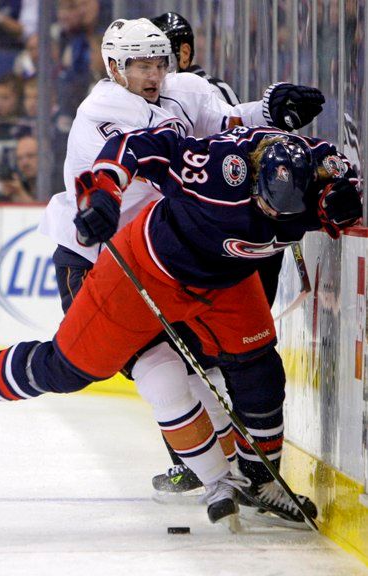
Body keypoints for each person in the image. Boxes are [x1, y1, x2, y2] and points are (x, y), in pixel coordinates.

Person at [0, 124, 361, 528]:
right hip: (147, 269)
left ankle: (259, 480)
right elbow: (135, 145)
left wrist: (345, 202)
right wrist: (103, 192)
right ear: (253, 180)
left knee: (258, 364)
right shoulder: (216, 169)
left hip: (228, 278)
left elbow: (352, 183)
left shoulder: (325, 168)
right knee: (72, 368)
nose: (272, 215)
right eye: (265, 204)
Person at [38, 17, 324, 506]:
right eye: (140, 65)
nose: (153, 74)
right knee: (158, 372)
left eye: (159, 63)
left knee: (209, 368)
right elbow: (174, 167)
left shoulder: (185, 90)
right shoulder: (99, 112)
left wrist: (270, 109)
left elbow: (228, 124)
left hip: (165, 256)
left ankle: (231, 478)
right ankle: (214, 475)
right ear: (114, 67)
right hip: (96, 258)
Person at [149, 11, 286, 498]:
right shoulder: (141, 101)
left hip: (229, 246)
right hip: (190, 244)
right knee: (185, 355)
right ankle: (220, 461)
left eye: (160, 51)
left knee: (227, 354)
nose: (149, 65)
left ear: (183, 53)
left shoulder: (206, 93)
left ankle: (247, 466)